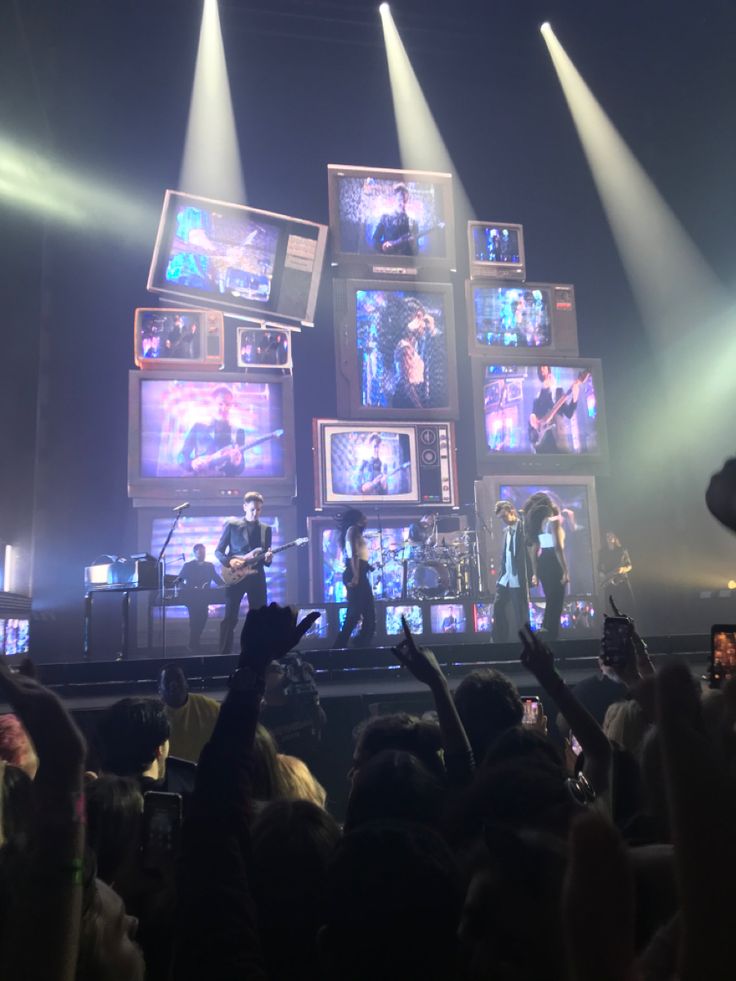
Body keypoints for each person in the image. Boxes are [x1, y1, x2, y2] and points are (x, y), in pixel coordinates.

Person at [215, 490, 273, 656]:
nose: (256, 513)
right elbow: (218, 551)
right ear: (244, 507)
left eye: (259, 509)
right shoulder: (232, 526)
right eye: (252, 509)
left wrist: (268, 559)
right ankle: (223, 655)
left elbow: (266, 560)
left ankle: (256, 654)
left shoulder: (266, 530)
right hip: (235, 575)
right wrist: (229, 561)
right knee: (230, 617)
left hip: (257, 577)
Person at [523, 491, 570, 641]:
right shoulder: (552, 521)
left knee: (551, 600)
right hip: (553, 563)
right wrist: (565, 571)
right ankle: (551, 638)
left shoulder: (538, 524)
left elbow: (534, 550)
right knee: (555, 603)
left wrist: (535, 573)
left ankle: (546, 634)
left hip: (543, 563)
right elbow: (557, 548)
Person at [177, 386, 246, 476]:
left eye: (228, 404)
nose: (224, 408)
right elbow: (182, 456)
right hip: (200, 483)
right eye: (220, 404)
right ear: (212, 404)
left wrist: (236, 464)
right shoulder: (197, 427)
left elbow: (241, 467)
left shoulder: (239, 432)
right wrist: (192, 464)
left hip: (225, 485)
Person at [158, 664, 220, 763]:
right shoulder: (154, 716)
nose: (173, 684)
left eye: (178, 679)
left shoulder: (208, 707)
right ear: (159, 690)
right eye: (167, 681)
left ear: (187, 685)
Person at [333, 509, 375, 649]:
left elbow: (359, 554)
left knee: (367, 612)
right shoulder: (352, 530)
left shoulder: (356, 531)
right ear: (357, 519)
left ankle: (361, 643)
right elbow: (353, 554)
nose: (366, 518)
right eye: (363, 516)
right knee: (355, 612)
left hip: (359, 571)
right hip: (355, 573)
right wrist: (357, 575)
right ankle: (340, 645)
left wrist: (367, 566)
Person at [492, 499, 532, 643]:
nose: (503, 520)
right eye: (500, 518)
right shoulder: (506, 532)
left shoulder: (523, 529)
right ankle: (499, 639)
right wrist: (500, 575)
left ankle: (527, 642)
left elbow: (530, 554)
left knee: (520, 613)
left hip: (518, 578)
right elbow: (504, 556)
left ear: (512, 512)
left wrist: (533, 575)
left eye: (504, 516)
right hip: (505, 578)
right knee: (498, 607)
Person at [392, 299, 440, 409]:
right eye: (420, 319)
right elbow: (407, 385)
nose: (423, 325)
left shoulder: (414, 346)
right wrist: (420, 409)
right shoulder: (405, 348)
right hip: (406, 403)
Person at [176, 544, 224, 653]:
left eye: (203, 552)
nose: (202, 554)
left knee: (203, 619)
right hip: (191, 598)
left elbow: (217, 579)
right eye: (200, 552)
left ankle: (194, 643)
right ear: (195, 553)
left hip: (204, 598)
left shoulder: (209, 566)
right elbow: (179, 580)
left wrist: (227, 585)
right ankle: (193, 644)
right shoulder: (188, 566)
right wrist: (186, 590)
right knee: (194, 621)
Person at [529, 364, 582, 454]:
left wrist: (575, 397)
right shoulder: (537, 397)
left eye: (544, 366)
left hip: (559, 441)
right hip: (543, 444)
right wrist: (532, 418)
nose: (542, 369)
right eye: (540, 367)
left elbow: (569, 413)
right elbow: (534, 420)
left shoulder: (558, 391)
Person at [372, 182, 419, 256]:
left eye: (404, 200)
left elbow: (416, 252)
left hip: (405, 264)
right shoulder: (385, 218)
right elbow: (375, 240)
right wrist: (383, 247)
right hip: (387, 262)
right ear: (394, 199)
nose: (402, 203)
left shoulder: (413, 222)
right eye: (400, 199)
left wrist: (413, 245)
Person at [598, 530, 635, 616]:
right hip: (609, 582)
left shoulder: (622, 550)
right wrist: (602, 574)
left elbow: (629, 566)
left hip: (622, 581)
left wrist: (622, 569)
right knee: (610, 607)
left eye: (611, 536)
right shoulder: (602, 552)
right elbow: (599, 567)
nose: (609, 538)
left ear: (615, 538)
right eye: (607, 536)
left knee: (625, 607)